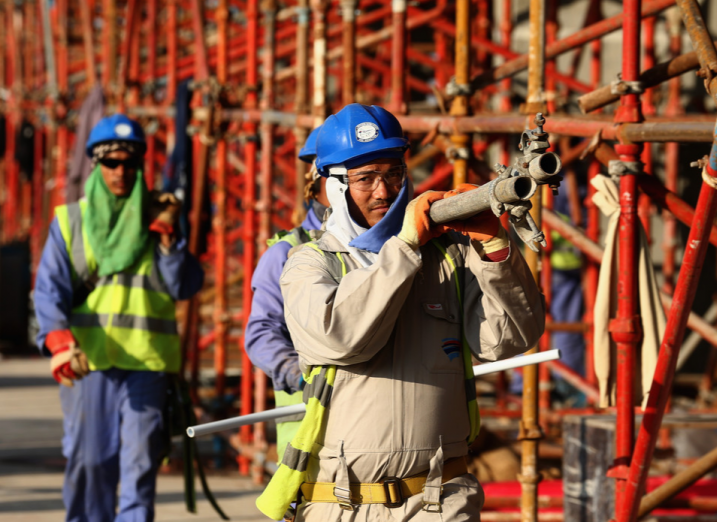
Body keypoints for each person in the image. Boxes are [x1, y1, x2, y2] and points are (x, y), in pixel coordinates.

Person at [256, 104, 545, 521]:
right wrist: (405, 247)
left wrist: (495, 248)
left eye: (393, 174)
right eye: (365, 178)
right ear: (334, 186)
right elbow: (341, 339)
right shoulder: (309, 261)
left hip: (441, 501)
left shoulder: (448, 255)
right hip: (342, 504)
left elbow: (506, 341)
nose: (384, 191)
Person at [34, 114, 204, 522]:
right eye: (111, 162)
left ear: (140, 165)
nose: (121, 171)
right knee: (89, 463)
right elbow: (49, 289)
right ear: (96, 164)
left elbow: (183, 286)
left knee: (139, 467)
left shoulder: (159, 216)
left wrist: (169, 242)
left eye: (129, 162)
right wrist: (58, 342)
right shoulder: (71, 221)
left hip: (146, 364)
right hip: (88, 364)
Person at [244, 127, 330, 461]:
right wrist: (298, 373)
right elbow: (261, 333)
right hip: (307, 442)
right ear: (316, 180)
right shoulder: (286, 252)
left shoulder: (393, 249)